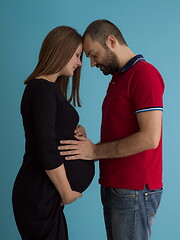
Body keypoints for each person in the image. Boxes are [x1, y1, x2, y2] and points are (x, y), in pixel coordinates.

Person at [59, 20, 165, 240]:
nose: (91, 63)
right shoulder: (119, 78)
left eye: (93, 54)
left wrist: (94, 152)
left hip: (133, 189)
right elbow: (120, 133)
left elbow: (150, 138)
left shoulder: (144, 75)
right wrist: (89, 145)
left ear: (111, 41)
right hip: (117, 185)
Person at [12, 26, 95, 240]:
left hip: (45, 195)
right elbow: (47, 149)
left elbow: (50, 132)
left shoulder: (48, 89)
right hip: (39, 194)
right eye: (77, 55)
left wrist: (76, 131)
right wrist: (66, 193)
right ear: (61, 49)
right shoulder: (41, 88)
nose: (79, 63)